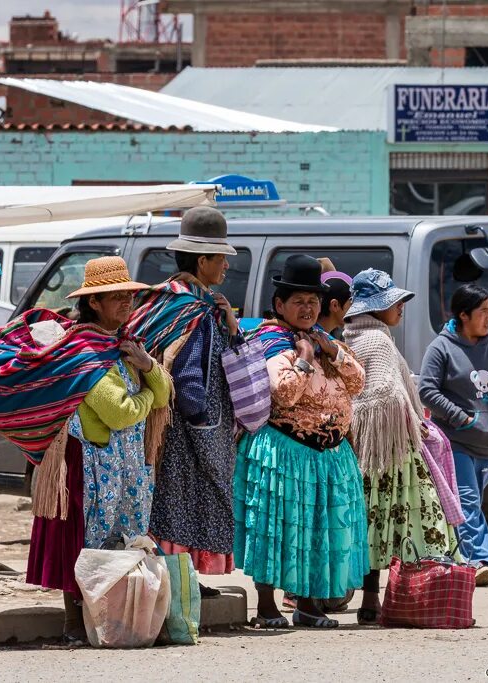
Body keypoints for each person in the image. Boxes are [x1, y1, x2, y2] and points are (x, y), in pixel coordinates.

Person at [0, 255, 171, 643]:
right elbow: (121, 413)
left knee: (118, 539)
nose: (127, 302)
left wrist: (147, 367)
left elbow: (164, 392)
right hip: (86, 466)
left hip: (122, 465)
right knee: (83, 542)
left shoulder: (124, 347)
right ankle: (75, 622)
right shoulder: (84, 354)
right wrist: (146, 392)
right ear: (94, 302)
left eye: (129, 295)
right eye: (116, 296)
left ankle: (114, 619)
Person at [234, 254, 369, 629]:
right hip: (286, 452)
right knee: (276, 527)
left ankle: (309, 605)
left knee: (318, 531)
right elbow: (284, 393)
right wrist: (306, 360)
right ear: (280, 305)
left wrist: (331, 351)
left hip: (329, 455)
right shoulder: (273, 341)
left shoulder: (322, 339)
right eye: (299, 301)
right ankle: (266, 606)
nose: (308, 308)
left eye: (314, 301)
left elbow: (357, 382)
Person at [343, 269, 460, 623]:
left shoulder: (352, 338)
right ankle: (407, 596)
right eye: (393, 301)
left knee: (371, 525)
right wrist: (414, 423)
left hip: (361, 453)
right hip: (393, 453)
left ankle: (369, 600)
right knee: (407, 524)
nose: (401, 307)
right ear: (375, 308)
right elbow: (387, 396)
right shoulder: (378, 342)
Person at [135, 207, 240, 595]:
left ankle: (178, 582)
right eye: (221, 259)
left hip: (156, 422)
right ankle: (180, 585)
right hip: (187, 430)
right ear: (202, 261)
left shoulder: (163, 300)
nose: (226, 267)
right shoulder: (196, 312)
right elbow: (192, 379)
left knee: (166, 507)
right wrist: (208, 429)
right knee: (183, 507)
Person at [418, 283, 488, 587]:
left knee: (470, 503)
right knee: (467, 501)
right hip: (457, 442)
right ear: (464, 315)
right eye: (483, 311)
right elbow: (427, 390)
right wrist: (459, 417)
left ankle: (456, 559)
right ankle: (480, 560)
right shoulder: (441, 347)